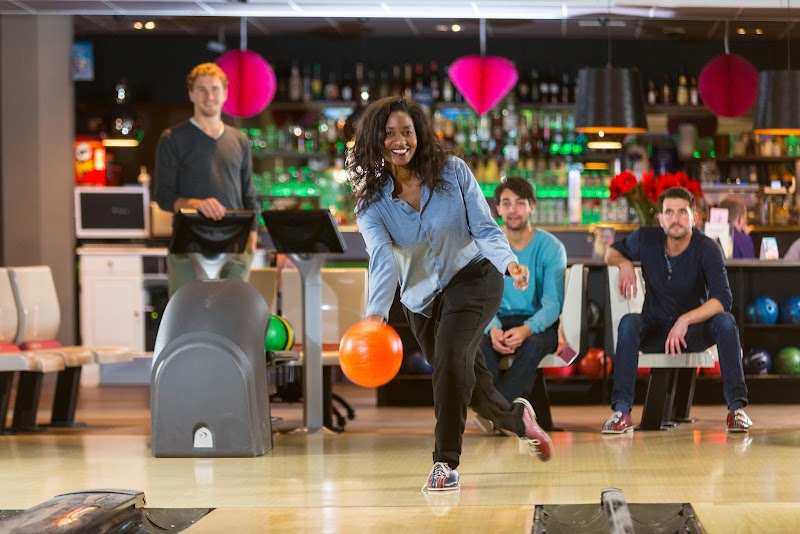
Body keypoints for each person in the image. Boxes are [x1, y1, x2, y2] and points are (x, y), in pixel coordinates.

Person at [348, 96, 553, 492]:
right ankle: (516, 420)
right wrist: (375, 314)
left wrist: (510, 263)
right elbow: (382, 260)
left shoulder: (453, 172)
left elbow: (485, 227)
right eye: (389, 133)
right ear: (377, 140)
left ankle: (446, 464)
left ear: (420, 134)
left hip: (473, 277)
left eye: (407, 131)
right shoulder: (371, 203)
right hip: (421, 300)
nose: (400, 140)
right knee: (466, 382)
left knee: (450, 361)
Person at [603, 186, 752, 434]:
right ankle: (622, 412)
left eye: (683, 212)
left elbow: (722, 299)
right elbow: (610, 252)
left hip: (693, 333)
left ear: (694, 217)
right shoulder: (646, 238)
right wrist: (625, 262)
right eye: (669, 213)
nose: (676, 219)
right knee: (629, 322)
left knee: (726, 322)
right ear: (660, 219)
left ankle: (736, 410)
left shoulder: (707, 248)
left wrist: (685, 320)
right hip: (656, 327)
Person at [155, 62, 259, 296]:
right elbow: (163, 197)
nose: (209, 96)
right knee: (186, 317)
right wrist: (195, 204)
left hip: (234, 244)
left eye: (214, 89)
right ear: (191, 94)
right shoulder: (172, 139)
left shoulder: (239, 140)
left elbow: (249, 195)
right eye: (201, 89)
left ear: (225, 94)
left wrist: (252, 235)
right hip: (187, 246)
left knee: (231, 316)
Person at [477, 177, 567, 414]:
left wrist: (527, 329)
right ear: (497, 209)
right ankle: (506, 416)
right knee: (479, 346)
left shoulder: (551, 247)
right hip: (497, 321)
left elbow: (552, 304)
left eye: (519, 203)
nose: (512, 210)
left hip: (538, 325)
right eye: (506, 203)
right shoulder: (488, 246)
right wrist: (493, 328)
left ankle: (496, 415)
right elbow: (481, 298)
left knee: (532, 345)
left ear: (532, 207)